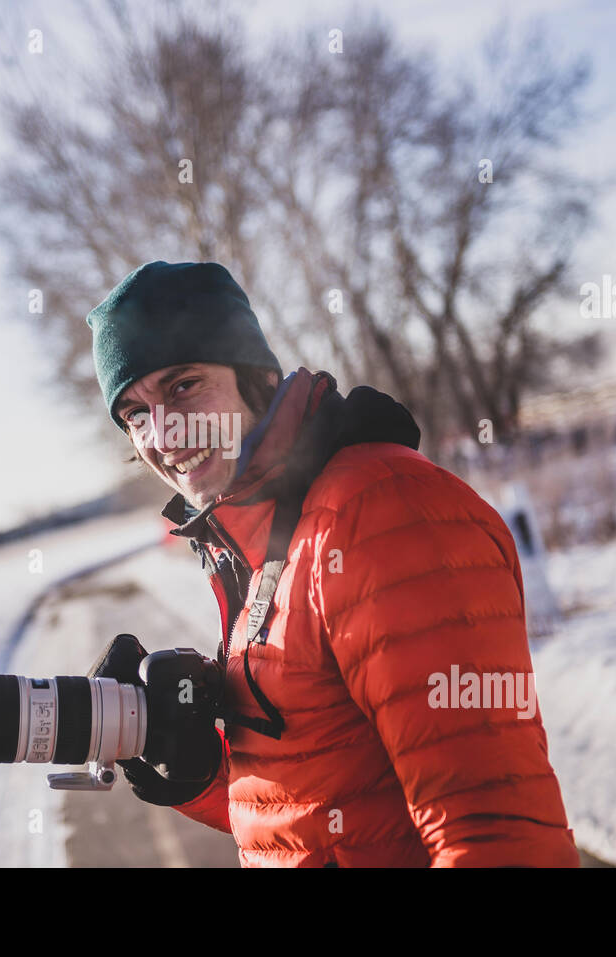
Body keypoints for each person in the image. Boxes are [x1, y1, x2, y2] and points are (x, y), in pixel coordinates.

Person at [84, 260, 579, 867]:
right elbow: (331, 822)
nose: (162, 434)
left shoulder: (381, 514)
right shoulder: (267, 542)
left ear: (255, 375)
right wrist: (197, 773)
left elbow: (500, 841)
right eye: (134, 414)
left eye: (183, 386)